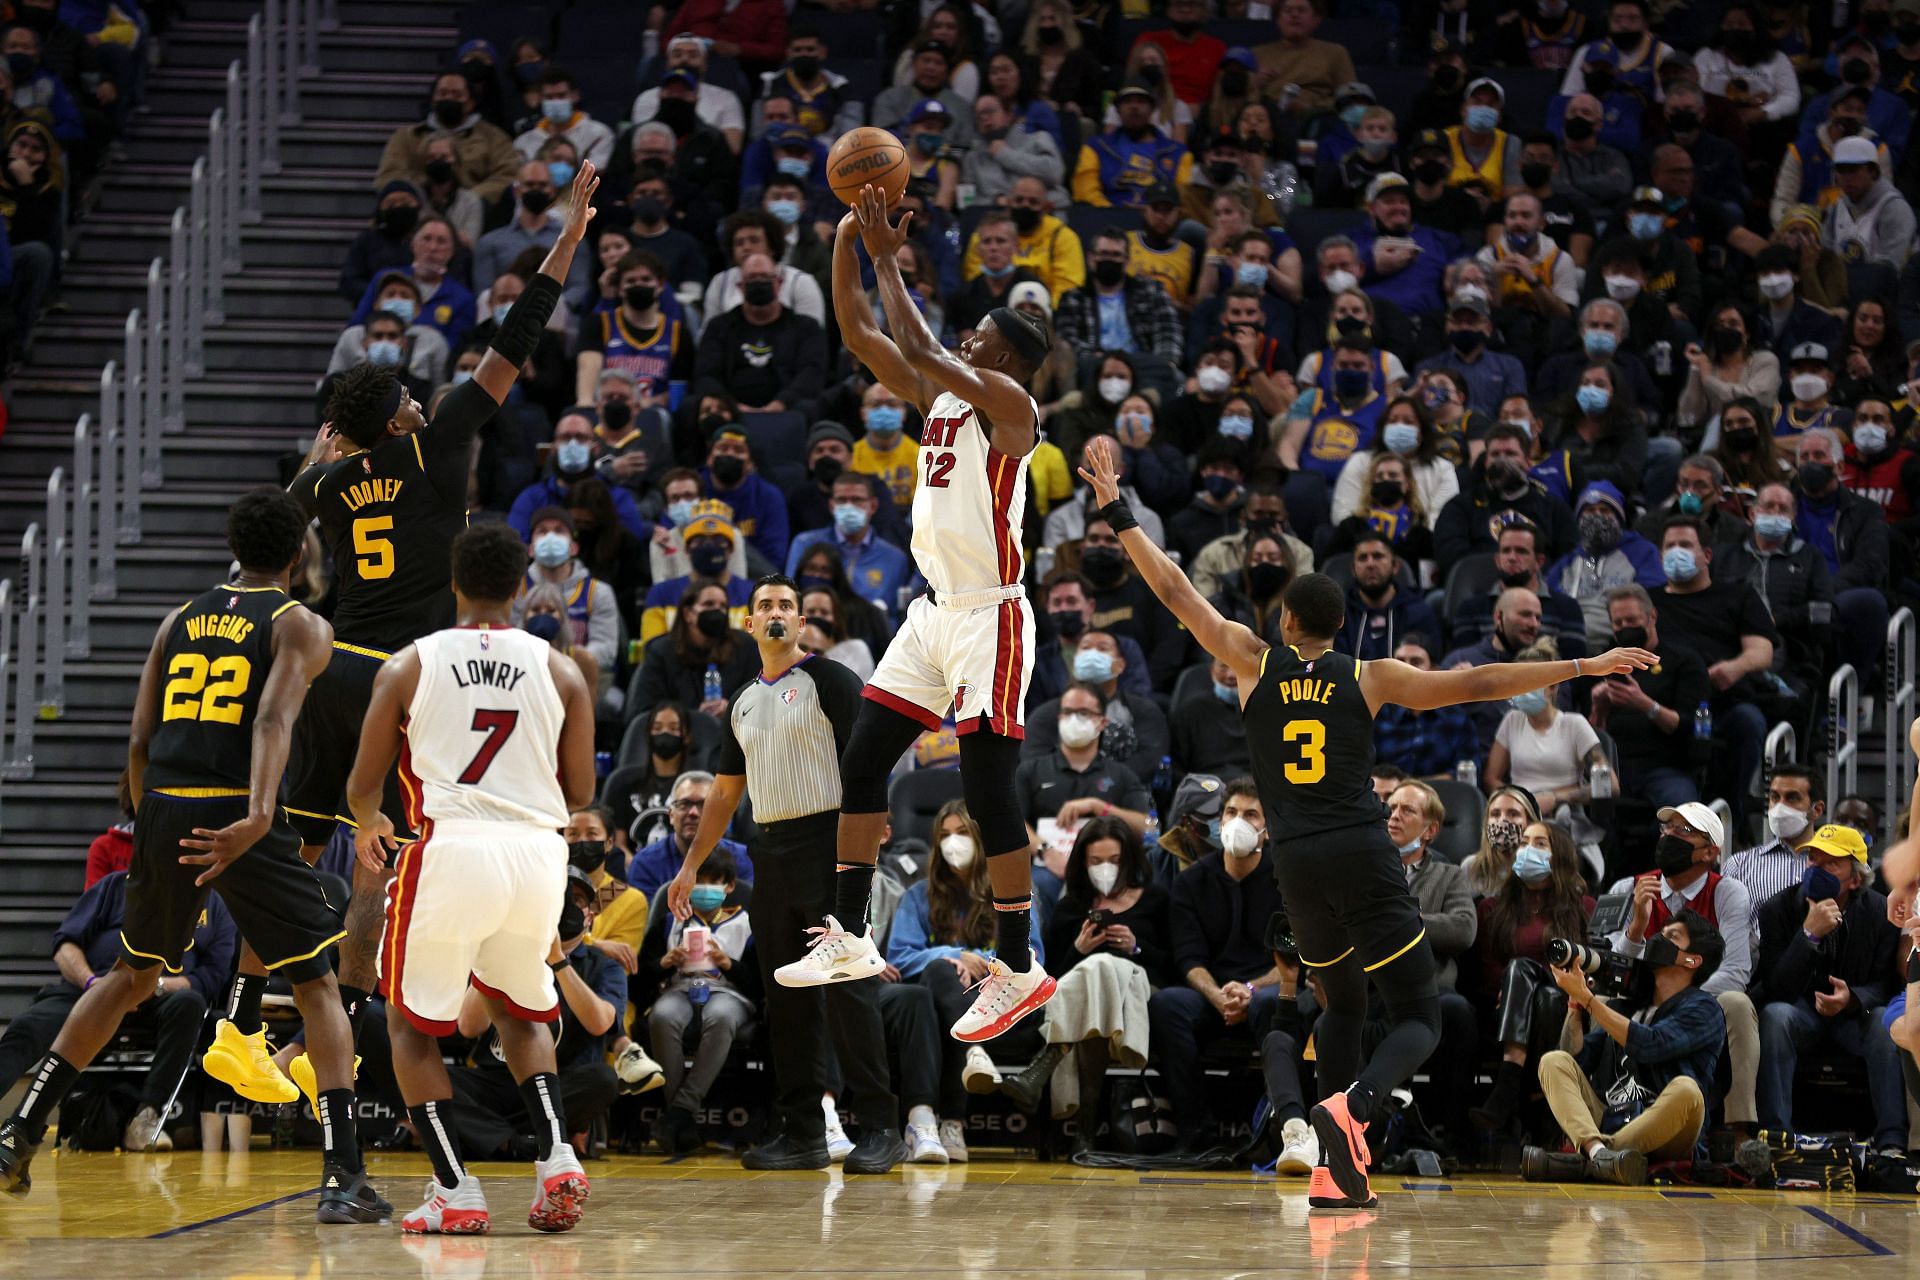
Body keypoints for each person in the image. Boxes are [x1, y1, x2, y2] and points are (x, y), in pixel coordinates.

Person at [1076, 435, 1654, 1210]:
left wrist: (1117, 508)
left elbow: (1177, 589)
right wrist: (1582, 667)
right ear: (1341, 626)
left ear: (1286, 623)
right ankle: (1355, 1108)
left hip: (1298, 865)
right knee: (1418, 1011)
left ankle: (1329, 1165)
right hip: (1358, 848)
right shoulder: (1369, 674)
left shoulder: (1251, 661)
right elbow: (1479, 680)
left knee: (1341, 1004)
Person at [279, 166, 603, 1089]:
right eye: (410, 400)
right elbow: (515, 340)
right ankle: (344, 1003)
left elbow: (285, 508)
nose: (425, 401)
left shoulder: (326, 484)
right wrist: (568, 240)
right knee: (387, 846)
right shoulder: (435, 444)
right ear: (398, 419)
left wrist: (318, 455)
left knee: (306, 846)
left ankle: (269, 1014)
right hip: (404, 677)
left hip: (333, 668)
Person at [0, 490, 386, 1221]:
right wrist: (259, 815)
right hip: (237, 806)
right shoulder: (300, 623)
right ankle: (343, 1176)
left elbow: (140, 737)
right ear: (299, 556)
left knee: (130, 974)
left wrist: (151, 827)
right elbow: (274, 716)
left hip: (164, 805)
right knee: (317, 984)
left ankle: (21, 1129)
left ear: (234, 547)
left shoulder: (177, 618)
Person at [775, 185, 1058, 1044]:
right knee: (860, 761)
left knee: (985, 788)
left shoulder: (1014, 411)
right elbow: (863, 332)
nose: (968, 342)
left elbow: (926, 345)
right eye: (969, 335)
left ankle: (1017, 966)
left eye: (983, 340)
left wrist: (887, 254)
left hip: (991, 618)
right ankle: (850, 934)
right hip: (932, 615)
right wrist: (844, 243)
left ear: (1006, 362)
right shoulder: (941, 400)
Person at [344, 521, 597, 1234]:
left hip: (451, 847)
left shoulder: (409, 665)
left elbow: (364, 784)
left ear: (454, 585)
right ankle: (556, 1157)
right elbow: (579, 791)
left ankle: (455, 1190)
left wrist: (368, 821)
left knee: (409, 1024)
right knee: (522, 1008)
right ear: (523, 587)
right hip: (538, 855)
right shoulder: (563, 670)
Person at [662, 576, 903, 1172]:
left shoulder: (832, 680)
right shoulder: (742, 699)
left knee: (848, 988)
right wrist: (690, 867)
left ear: (800, 623)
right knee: (786, 997)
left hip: (832, 844)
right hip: (769, 849)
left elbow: (869, 762)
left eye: (785, 606)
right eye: (765, 605)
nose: (775, 613)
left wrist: (870, 836)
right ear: (750, 623)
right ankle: (802, 1133)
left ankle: (879, 1126)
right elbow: (722, 794)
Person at [884, 800, 1047, 1162]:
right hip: (939, 1004)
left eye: (961, 833)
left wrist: (984, 964)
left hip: (1001, 1006)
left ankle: (946, 1121)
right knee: (941, 971)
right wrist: (954, 957)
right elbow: (900, 957)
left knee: (948, 982)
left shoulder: (1014, 892)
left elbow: (1033, 957)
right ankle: (957, 1109)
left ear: (980, 839)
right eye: (944, 835)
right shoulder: (918, 895)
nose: (951, 843)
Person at [1525, 910, 1729, 1185]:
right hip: (1613, 1116)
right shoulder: (1627, 1005)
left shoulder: (1705, 1008)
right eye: (1661, 932)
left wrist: (1589, 1000)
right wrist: (1575, 1005)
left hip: (1669, 1128)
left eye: (1673, 936)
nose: (1659, 938)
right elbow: (1578, 1060)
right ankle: (1602, 1155)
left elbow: (1650, 1045)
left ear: (1692, 960)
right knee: (1553, 1061)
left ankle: (1590, 1158)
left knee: (1688, 1091)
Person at [445, 868, 623, 1163]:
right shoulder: (503, 951)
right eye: (559, 897)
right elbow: (469, 1026)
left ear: (590, 915)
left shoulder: (603, 965)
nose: (565, 907)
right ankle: (525, 1141)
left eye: (576, 900)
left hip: (559, 1079)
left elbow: (600, 1023)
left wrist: (558, 961)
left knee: (603, 1079)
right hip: (495, 1081)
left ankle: (495, 1138)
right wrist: (501, 950)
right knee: (433, 1078)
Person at [1009, 816, 1171, 1141]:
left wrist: (1136, 947)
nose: (1105, 868)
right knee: (1094, 973)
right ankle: (1086, 1137)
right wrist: (1079, 949)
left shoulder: (1155, 899)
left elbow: (1173, 966)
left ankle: (1053, 1059)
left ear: (1129, 860)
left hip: (1141, 991)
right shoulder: (1071, 907)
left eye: (1114, 860)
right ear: (1083, 862)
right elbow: (1054, 978)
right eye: (1096, 861)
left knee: (1103, 967)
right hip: (1084, 1000)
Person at [1604, 802, 1759, 1140]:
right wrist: (1636, 929)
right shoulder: (1625, 889)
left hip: (1697, 1004)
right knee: (1598, 1000)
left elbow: (1734, 972)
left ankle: (1739, 1133)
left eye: (1683, 831)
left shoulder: (1726, 892)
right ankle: (1596, 1118)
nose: (1669, 836)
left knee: (1737, 1003)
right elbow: (1611, 973)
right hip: (1638, 1000)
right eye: (1667, 829)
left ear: (1709, 852)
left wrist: (1676, 1004)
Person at [1754, 824, 1909, 1158]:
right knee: (1775, 1016)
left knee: (1885, 1021)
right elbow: (1775, 987)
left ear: (1855, 879)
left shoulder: (1882, 914)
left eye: (1829, 864)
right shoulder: (1777, 909)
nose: (1815, 869)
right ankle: (1776, 1138)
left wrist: (1852, 998)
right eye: (1812, 859)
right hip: (1800, 1012)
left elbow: (1886, 984)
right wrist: (1807, 936)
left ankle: (1892, 1143)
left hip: (1854, 1018)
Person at [1147, 779, 1283, 1150]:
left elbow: (1294, 958)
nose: (1237, 821)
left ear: (1267, 829)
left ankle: (1275, 1132)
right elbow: (1188, 958)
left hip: (1265, 991)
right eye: (1231, 812)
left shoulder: (1286, 880)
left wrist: (1250, 991)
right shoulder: (1192, 881)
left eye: (1250, 814)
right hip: (1213, 995)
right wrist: (1218, 995)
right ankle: (1195, 1131)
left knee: (1275, 1004)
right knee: (1167, 1005)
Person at [643, 846, 753, 1153]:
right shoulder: (669, 922)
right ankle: (684, 1120)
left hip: (729, 994)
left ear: (730, 886)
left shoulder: (747, 924)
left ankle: (677, 1113)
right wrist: (664, 963)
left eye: (713, 881)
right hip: (679, 988)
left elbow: (759, 982)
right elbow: (641, 978)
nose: (704, 889)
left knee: (720, 1016)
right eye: (698, 881)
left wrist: (730, 964)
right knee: (662, 1016)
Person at [1587, 586, 1710, 811]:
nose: (1625, 628)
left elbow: (1692, 727)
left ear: (1651, 616)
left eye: (1632, 620)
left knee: (1681, 810)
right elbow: (1589, 737)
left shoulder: (1683, 661)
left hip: (1667, 767)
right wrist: (1598, 707)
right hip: (1615, 766)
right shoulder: (1604, 663)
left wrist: (1644, 704)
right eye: (1618, 623)